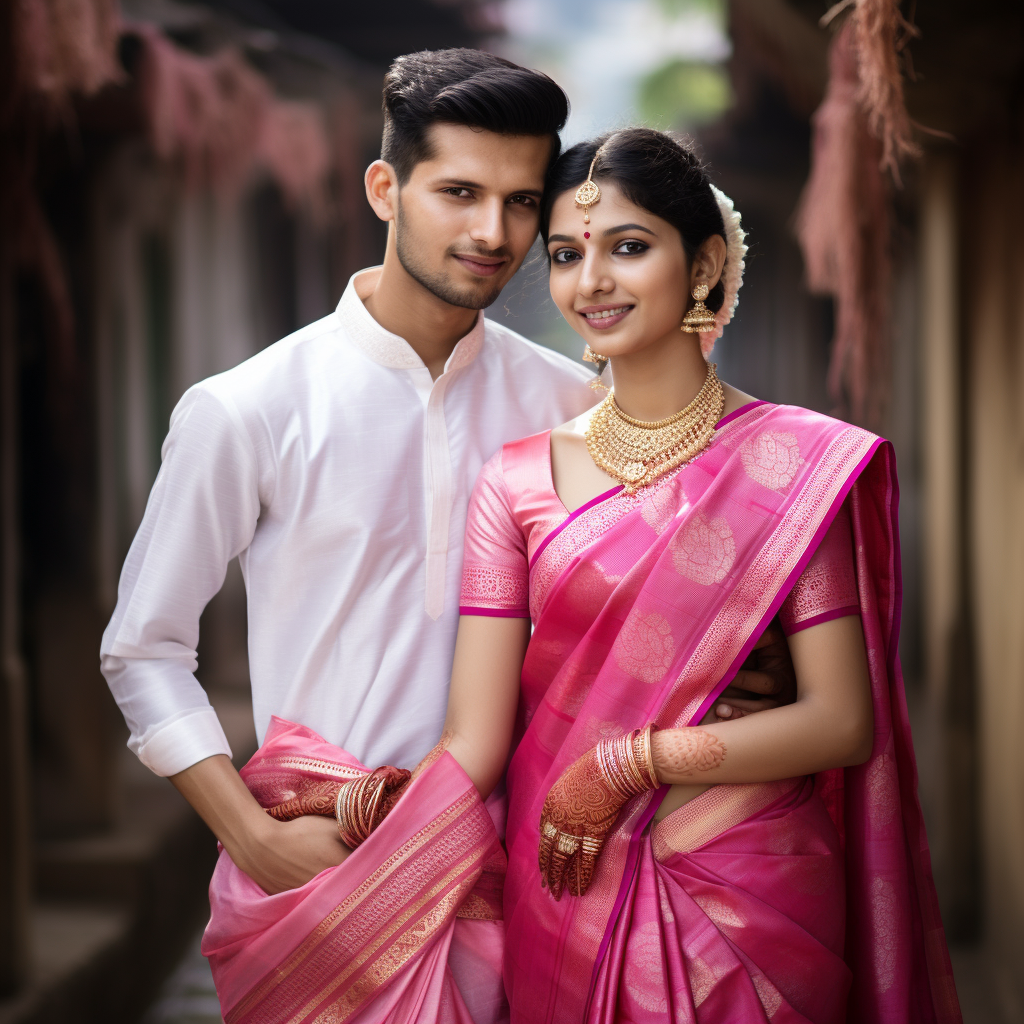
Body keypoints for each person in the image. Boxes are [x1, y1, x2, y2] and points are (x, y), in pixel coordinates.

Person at [101, 53, 790, 1023]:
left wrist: (732, 674)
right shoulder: (247, 409)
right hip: (320, 875)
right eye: (459, 192)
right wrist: (250, 836)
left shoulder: (567, 407)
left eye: (519, 203)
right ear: (385, 188)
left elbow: (634, 623)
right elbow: (144, 649)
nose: (491, 232)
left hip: (531, 875)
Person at [398, 128, 960, 1022]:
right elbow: (476, 736)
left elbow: (843, 720)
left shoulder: (791, 466)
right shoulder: (514, 482)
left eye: (628, 247)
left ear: (703, 262)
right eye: (568, 256)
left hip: (747, 889)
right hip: (567, 886)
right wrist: (362, 812)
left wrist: (632, 762)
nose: (594, 283)